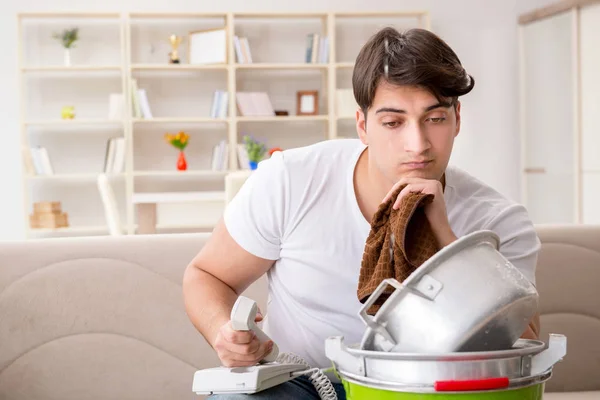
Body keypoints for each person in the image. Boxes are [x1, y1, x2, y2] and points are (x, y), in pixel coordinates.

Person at [182, 26, 541, 400]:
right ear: (363, 125)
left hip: (426, 391)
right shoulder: (291, 180)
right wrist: (223, 331)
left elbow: (525, 347)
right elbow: (206, 275)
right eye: (392, 122)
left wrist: (446, 242)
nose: (417, 145)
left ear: (457, 119)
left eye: (434, 119)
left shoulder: (499, 221)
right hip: (299, 383)